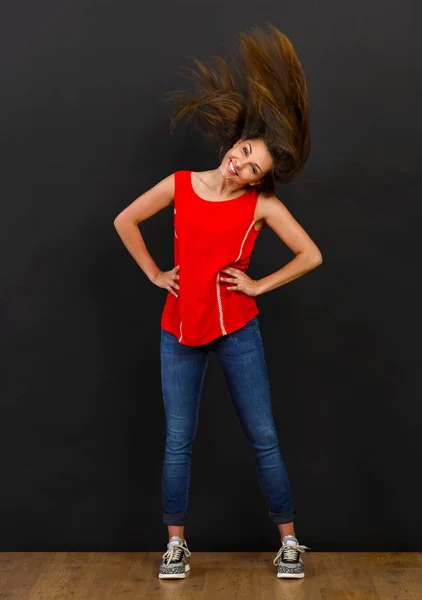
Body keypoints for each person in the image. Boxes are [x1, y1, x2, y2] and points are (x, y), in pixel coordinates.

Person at [114, 24, 322, 580]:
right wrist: (157, 273)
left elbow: (310, 255)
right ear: (236, 142)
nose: (243, 164)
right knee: (178, 440)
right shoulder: (180, 183)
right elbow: (124, 220)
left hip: (237, 331)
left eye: (254, 167)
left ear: (260, 179)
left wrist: (256, 286)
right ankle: (177, 545)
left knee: (264, 436)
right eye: (245, 152)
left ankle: (291, 543)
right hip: (178, 327)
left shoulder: (260, 205)